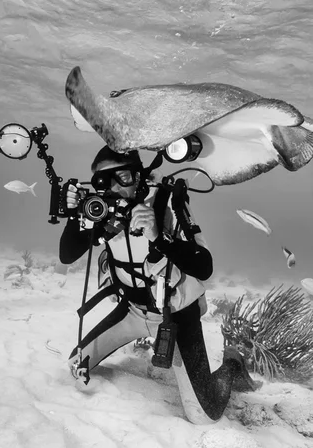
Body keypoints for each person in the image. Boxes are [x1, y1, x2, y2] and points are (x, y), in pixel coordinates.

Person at [59, 146, 260, 424]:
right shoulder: (100, 210)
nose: (116, 188)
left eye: (124, 177)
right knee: (75, 366)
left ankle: (232, 365)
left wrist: (158, 236)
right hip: (132, 310)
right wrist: (74, 217)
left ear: (139, 176)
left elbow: (204, 266)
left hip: (175, 314)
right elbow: (67, 255)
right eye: (104, 181)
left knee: (203, 415)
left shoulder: (166, 202)